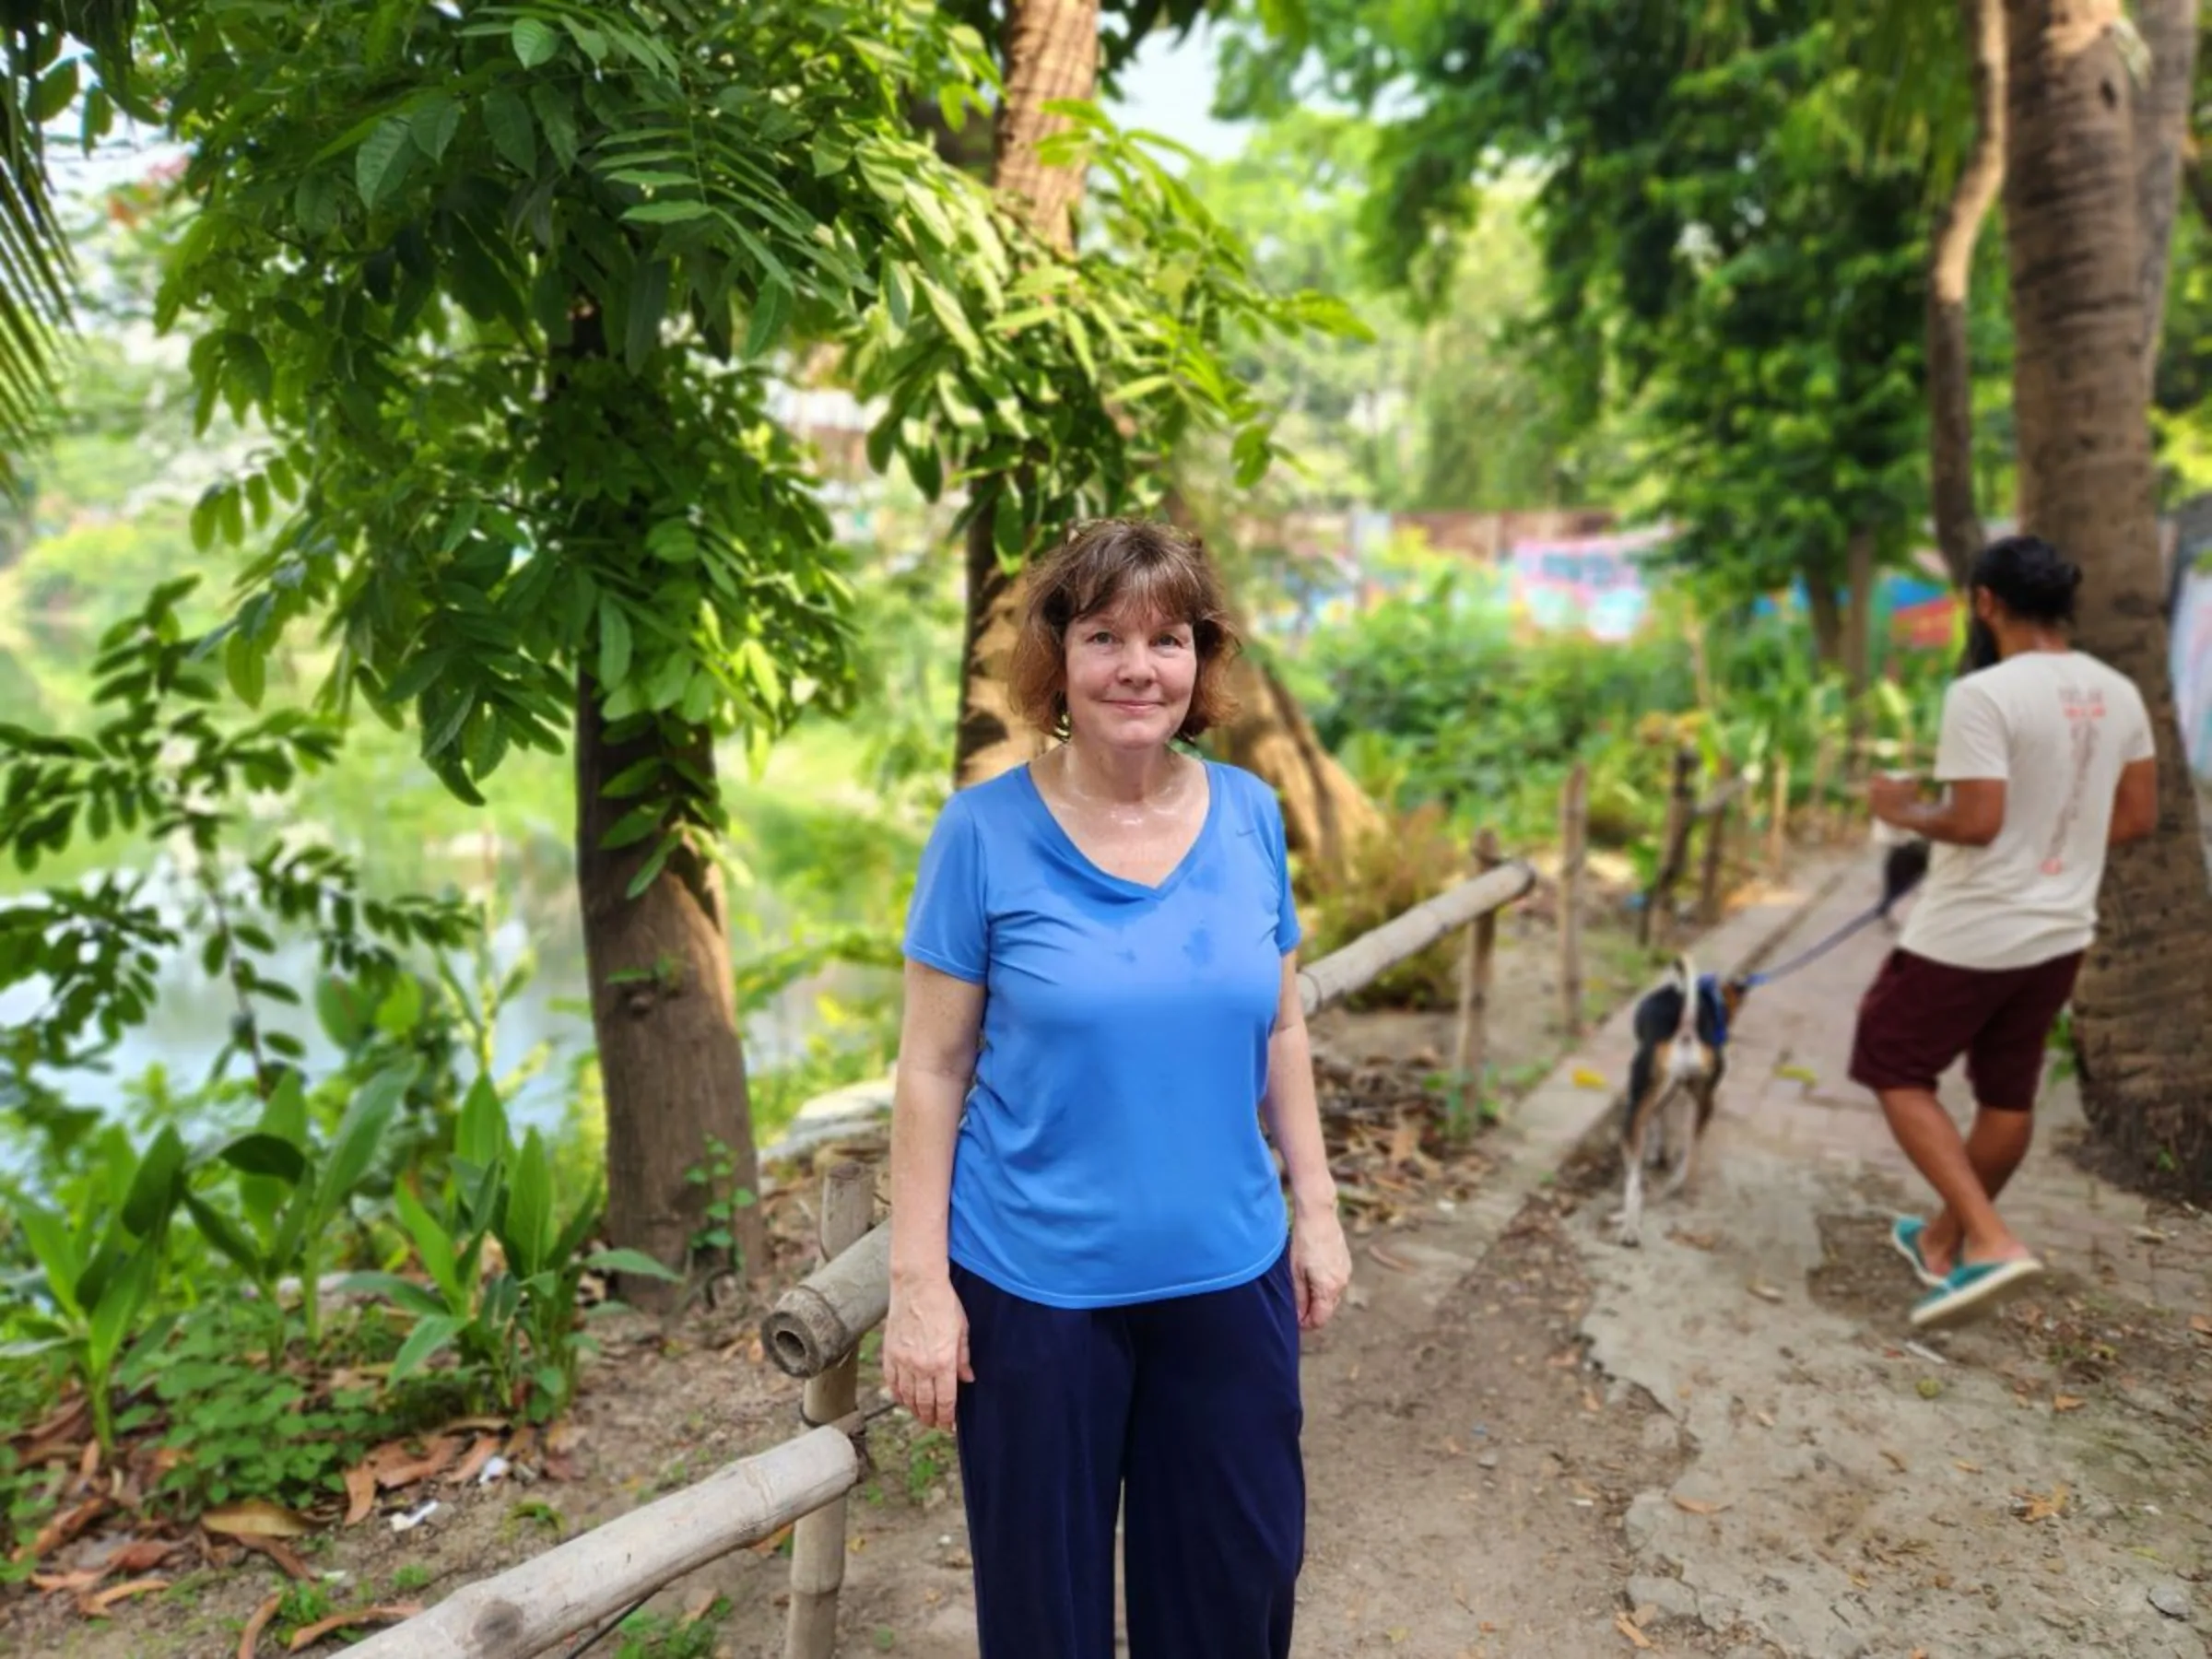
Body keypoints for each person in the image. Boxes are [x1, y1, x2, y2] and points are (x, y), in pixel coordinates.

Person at [882, 517, 1352, 1658]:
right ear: (1059, 658)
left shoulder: (1248, 816)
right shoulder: (982, 832)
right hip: (1036, 1297)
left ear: (1201, 660)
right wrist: (918, 1286)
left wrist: (1322, 1212)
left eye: (1167, 639)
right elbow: (930, 1068)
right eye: (1104, 637)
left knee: (1235, 1595)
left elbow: (1282, 1026)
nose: (1138, 667)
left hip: (1229, 1276)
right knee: (1047, 1623)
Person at [1851, 534, 2159, 1330]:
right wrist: (2049, 849)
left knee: (1891, 1059)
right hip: (2060, 930)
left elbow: (1978, 820)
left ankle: (1990, 1240)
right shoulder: (2118, 692)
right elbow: (2136, 818)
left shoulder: (1984, 695)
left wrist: (1900, 809)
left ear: (1985, 603)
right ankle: (1944, 1242)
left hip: (1970, 932)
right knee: (2004, 1094)